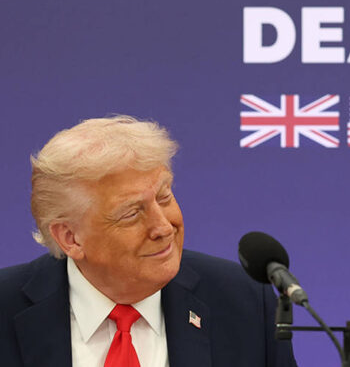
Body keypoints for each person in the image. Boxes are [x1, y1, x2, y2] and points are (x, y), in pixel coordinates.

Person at [0, 116, 297, 367]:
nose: (163, 227)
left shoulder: (242, 301)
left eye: (164, 197)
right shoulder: (6, 305)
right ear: (71, 238)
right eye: (131, 213)